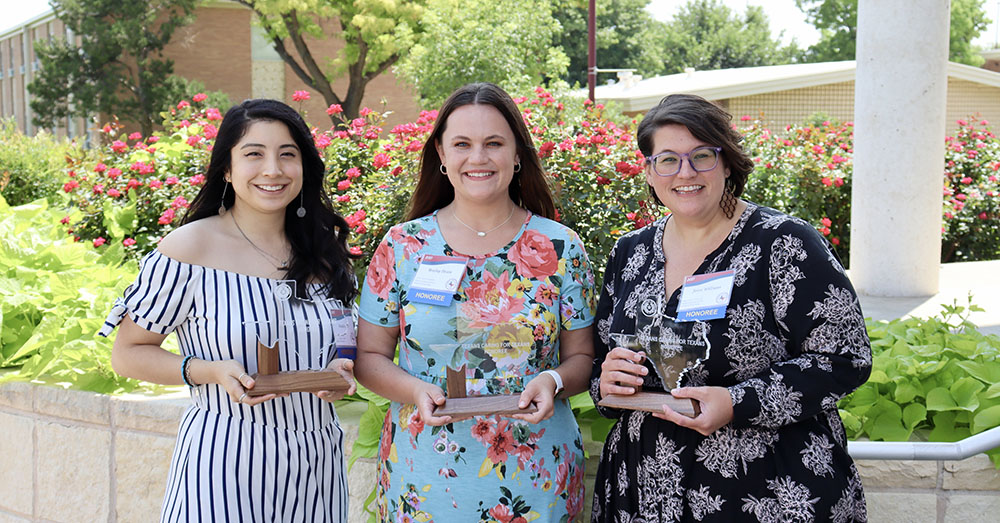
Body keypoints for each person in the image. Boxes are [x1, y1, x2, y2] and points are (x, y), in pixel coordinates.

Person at [590, 94, 872, 522]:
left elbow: (845, 358)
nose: (685, 172)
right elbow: (600, 370)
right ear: (649, 171)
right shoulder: (630, 252)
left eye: (701, 156)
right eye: (667, 159)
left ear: (726, 162)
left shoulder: (784, 243)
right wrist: (607, 382)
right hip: (643, 491)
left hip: (765, 490)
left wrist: (738, 401)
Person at [100, 99, 358, 521]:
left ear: (304, 167)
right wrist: (209, 371)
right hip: (225, 463)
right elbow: (127, 353)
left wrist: (342, 370)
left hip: (316, 466)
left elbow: (344, 338)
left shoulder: (324, 254)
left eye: (287, 154)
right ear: (226, 168)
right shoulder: (190, 247)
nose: (272, 169)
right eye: (253, 154)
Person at [355, 82, 596, 522]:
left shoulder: (561, 247)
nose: (478, 158)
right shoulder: (403, 246)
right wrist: (414, 390)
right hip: (423, 471)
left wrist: (553, 382)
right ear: (442, 156)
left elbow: (581, 357)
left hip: (537, 473)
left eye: (494, 143)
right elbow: (369, 356)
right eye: (462, 144)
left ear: (517, 154)